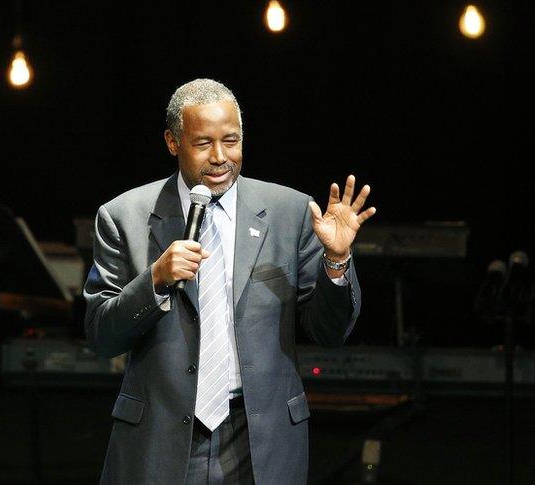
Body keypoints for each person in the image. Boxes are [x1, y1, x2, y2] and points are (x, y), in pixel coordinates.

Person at [83, 78, 377, 484]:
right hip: (161, 440)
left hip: (259, 438)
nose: (220, 157)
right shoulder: (123, 216)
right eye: (203, 143)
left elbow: (328, 332)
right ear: (172, 142)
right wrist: (154, 279)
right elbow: (101, 335)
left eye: (232, 141)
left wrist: (337, 260)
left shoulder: (290, 212)